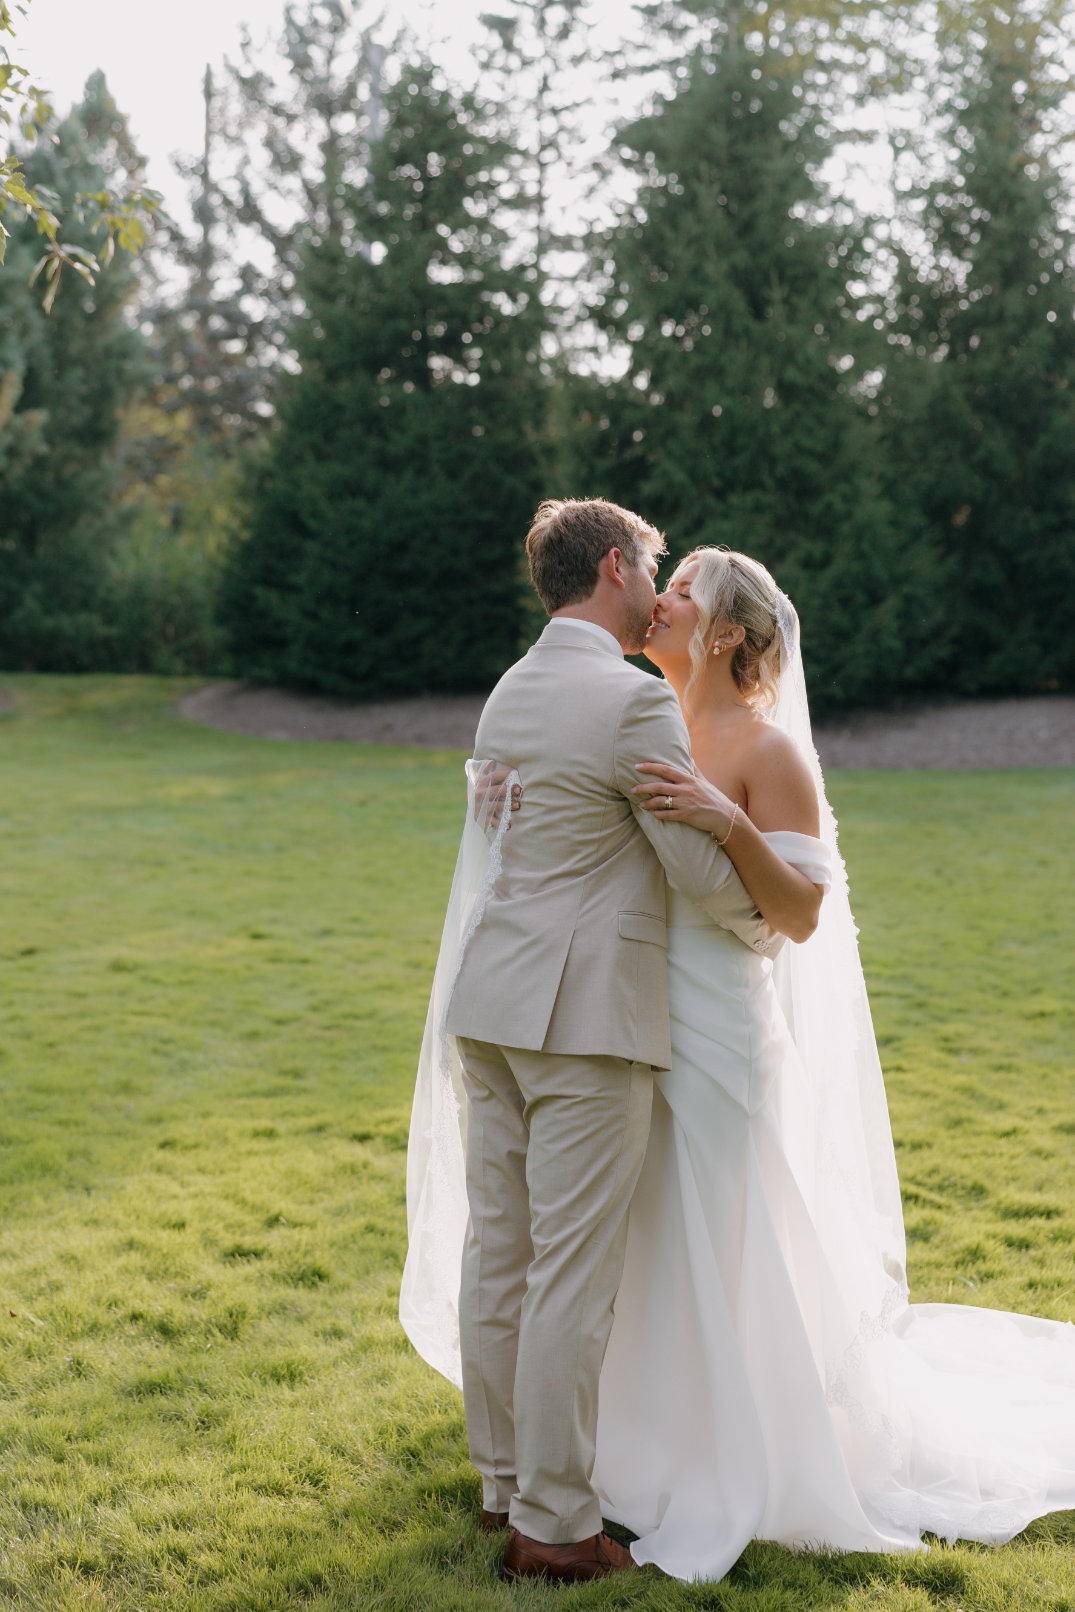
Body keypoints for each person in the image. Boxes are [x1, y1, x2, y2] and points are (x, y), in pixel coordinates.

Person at [591, 545, 1075, 1579]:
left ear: (723, 633)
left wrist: (727, 820)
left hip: (721, 1021)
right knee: (646, 1229)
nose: (659, 601)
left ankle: (745, 1446)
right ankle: (640, 1435)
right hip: (639, 1016)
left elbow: (802, 915)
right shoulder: (643, 719)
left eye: (679, 594)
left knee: (724, 1225)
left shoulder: (768, 752)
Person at [399, 498, 782, 1584]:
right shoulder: (626, 702)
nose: (658, 586)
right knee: (571, 1272)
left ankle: (501, 1480)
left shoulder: (510, 687)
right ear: (613, 566)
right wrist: (770, 919)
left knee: (501, 1253)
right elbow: (689, 863)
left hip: (493, 1005)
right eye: (652, 566)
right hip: (582, 1020)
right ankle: (557, 1526)